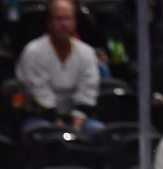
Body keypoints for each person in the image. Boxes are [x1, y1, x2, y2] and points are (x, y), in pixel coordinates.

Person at [14, 0, 102, 138]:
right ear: (48, 22)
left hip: (77, 118)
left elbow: (88, 90)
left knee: (99, 131)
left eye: (67, 18)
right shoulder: (33, 52)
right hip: (42, 117)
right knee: (40, 134)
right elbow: (38, 90)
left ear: (75, 22)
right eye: (58, 18)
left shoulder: (87, 53)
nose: (63, 24)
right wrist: (57, 122)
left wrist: (77, 123)